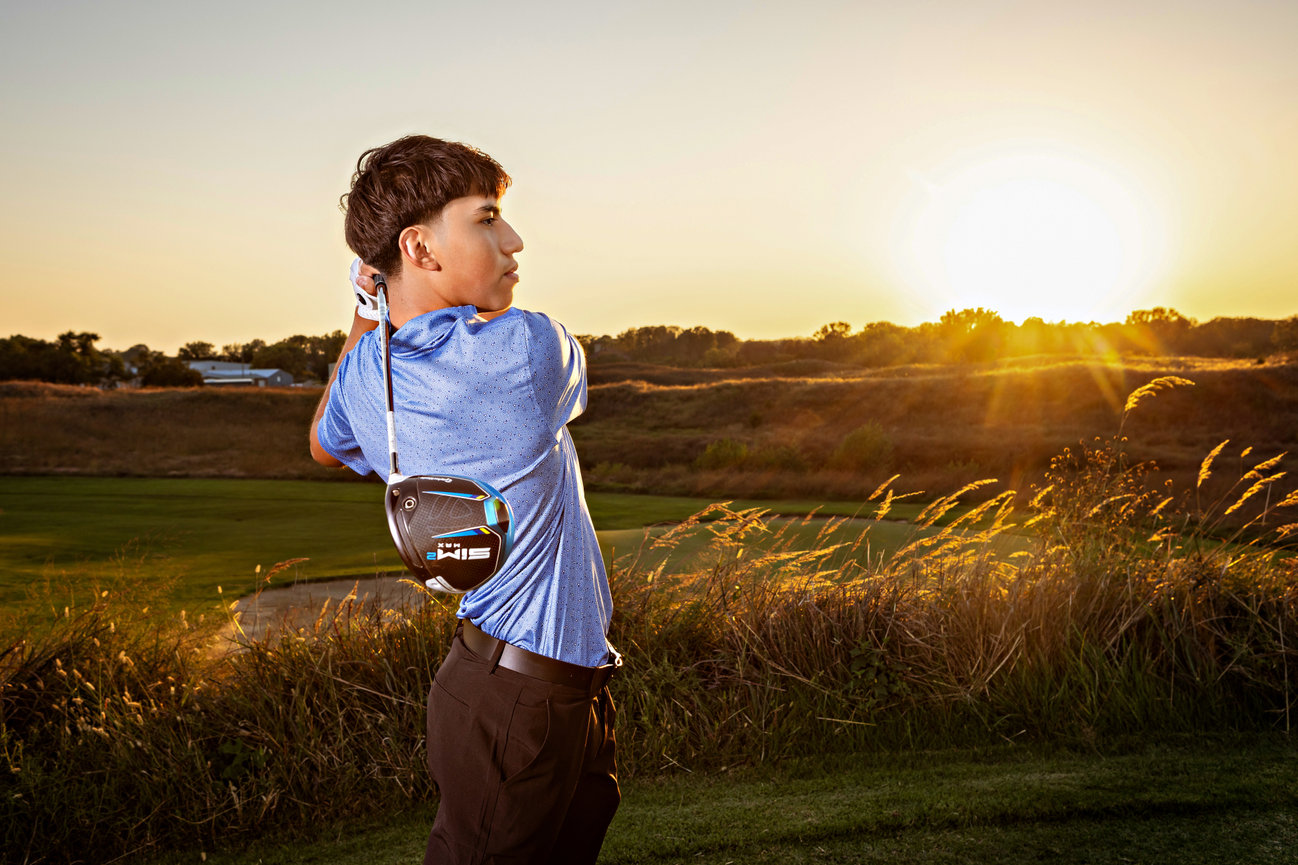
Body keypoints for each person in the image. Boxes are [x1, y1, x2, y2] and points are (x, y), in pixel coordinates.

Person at [308, 135, 619, 865]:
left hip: (512, 683)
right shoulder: (527, 350)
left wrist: (367, 311)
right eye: (486, 218)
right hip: (522, 702)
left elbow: (323, 442)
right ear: (419, 247)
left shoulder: (367, 375)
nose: (513, 240)